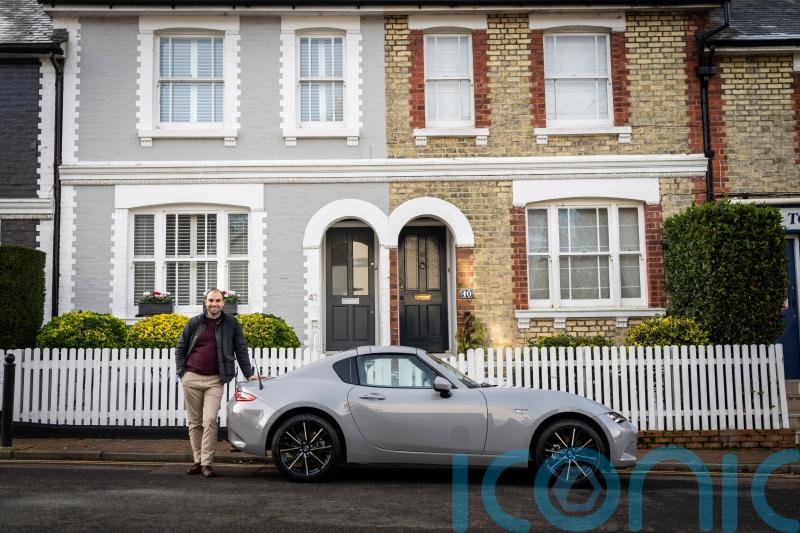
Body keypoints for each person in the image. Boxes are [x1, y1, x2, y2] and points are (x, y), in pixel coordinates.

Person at [175, 288, 256, 478]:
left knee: (210, 419)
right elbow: (181, 348)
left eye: (218, 301)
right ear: (205, 301)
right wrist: (182, 373)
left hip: (215, 379)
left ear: (223, 303)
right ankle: (198, 460)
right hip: (192, 377)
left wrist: (249, 374)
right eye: (211, 300)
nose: (214, 304)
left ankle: (207, 463)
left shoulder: (232, 323)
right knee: (194, 422)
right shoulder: (195, 322)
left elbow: (241, 350)